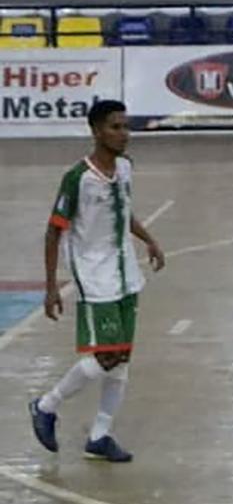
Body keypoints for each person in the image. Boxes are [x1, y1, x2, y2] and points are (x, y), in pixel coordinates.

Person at [28, 99, 165, 463]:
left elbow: (124, 211)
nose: (124, 134)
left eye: (126, 126)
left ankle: (100, 435)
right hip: (95, 276)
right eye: (115, 127)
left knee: (122, 359)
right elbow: (53, 233)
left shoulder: (125, 168)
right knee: (106, 355)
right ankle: (46, 405)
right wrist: (51, 287)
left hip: (126, 275)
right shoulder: (78, 179)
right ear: (96, 131)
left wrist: (148, 238)